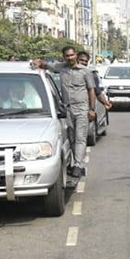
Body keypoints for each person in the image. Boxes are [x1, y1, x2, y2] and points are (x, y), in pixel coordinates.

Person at [32, 47, 96, 178]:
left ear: (76, 55)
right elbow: (46, 65)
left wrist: (92, 109)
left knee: (80, 137)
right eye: (67, 56)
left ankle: (78, 165)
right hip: (68, 109)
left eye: (72, 55)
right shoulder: (62, 68)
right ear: (64, 56)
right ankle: (75, 163)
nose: (70, 58)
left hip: (82, 109)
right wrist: (37, 62)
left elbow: (91, 90)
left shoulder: (85, 71)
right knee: (71, 138)